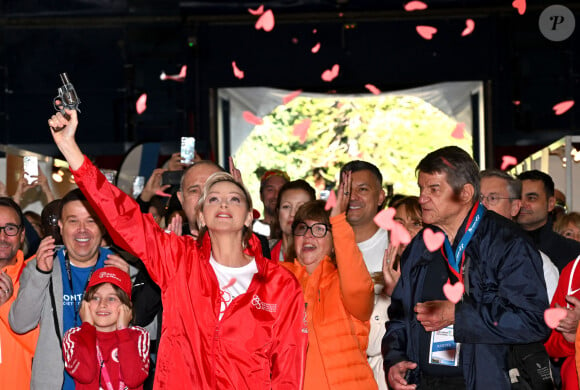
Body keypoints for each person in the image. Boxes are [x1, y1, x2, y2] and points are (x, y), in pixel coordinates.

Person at [46, 108, 308, 389]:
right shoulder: (177, 258)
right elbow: (123, 217)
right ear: (201, 215)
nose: (223, 204)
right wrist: (69, 148)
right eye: (213, 198)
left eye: (234, 198)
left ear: (248, 216)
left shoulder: (280, 284)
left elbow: (290, 369)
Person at [383, 146, 550, 390]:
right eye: (421, 188)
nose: (422, 198)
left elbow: (534, 321)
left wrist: (458, 316)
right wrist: (395, 359)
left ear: (465, 193)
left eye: (434, 189)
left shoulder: (508, 243)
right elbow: (399, 314)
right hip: (424, 382)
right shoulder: (421, 245)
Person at [9, 188, 131, 390]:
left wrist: (127, 287)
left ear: (101, 226)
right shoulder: (41, 263)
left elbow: (143, 332)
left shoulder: (119, 266)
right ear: (61, 225)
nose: (82, 229)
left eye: (90, 221)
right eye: (73, 221)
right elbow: (20, 323)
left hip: (107, 382)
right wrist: (41, 274)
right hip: (53, 384)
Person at [281, 175, 377, 390]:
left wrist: (339, 223)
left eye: (319, 229)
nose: (308, 236)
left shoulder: (345, 282)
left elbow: (358, 286)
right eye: (302, 228)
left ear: (335, 243)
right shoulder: (280, 281)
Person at [339, 160, 389, 389]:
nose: (353, 197)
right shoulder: (323, 246)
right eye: (347, 190)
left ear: (381, 197)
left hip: (385, 369)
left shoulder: (398, 247)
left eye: (363, 189)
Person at [63, 267, 149, 390]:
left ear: (127, 306)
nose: (102, 304)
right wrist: (87, 326)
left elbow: (133, 379)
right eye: (95, 298)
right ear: (85, 305)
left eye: (111, 298)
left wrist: (123, 331)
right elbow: (85, 375)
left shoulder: (139, 335)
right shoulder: (73, 336)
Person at [480, 169, 559, 301]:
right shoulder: (456, 253)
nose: (483, 205)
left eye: (493, 198)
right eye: (478, 198)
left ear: (515, 207)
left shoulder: (537, 262)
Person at [0, 197, 39, 389]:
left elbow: (44, 349)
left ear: (22, 235)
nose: (2, 236)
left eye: (10, 229)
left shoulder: (36, 280)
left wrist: (7, 306)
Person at [517, 170, 580, 271]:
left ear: (550, 204)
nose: (522, 204)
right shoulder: (500, 247)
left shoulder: (573, 253)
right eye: (518, 198)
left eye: (531, 198)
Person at [270, 180, 316, 262]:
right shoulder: (263, 251)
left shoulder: (320, 254)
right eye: (286, 206)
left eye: (301, 207)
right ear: (278, 212)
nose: (293, 214)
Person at [253, 169, 290, 238]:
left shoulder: (296, 232)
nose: (276, 195)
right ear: (261, 195)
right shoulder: (249, 231)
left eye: (281, 190)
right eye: (270, 190)